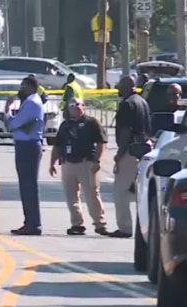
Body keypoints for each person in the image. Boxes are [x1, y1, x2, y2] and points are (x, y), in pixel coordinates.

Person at [49, 98, 109, 236]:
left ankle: (100, 224)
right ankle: (77, 224)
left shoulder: (91, 123)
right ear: (68, 109)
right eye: (72, 105)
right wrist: (52, 163)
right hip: (68, 163)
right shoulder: (64, 125)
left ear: (83, 107)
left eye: (78, 105)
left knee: (92, 194)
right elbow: (57, 145)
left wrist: (97, 161)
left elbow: (101, 142)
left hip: (86, 163)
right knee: (71, 197)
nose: (75, 108)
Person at [111, 75, 152, 238]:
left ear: (129, 86)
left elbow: (126, 130)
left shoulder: (128, 104)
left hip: (130, 151)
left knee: (120, 190)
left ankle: (125, 228)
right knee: (141, 192)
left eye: (120, 85)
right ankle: (146, 228)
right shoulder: (142, 101)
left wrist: (120, 153)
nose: (117, 88)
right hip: (145, 149)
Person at [4, 77, 44, 235]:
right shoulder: (30, 102)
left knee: (28, 186)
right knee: (27, 186)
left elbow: (14, 124)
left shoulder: (32, 103)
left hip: (28, 147)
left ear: (30, 87)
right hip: (26, 146)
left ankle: (33, 224)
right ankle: (30, 222)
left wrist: (7, 110)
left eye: (23, 86)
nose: (20, 90)